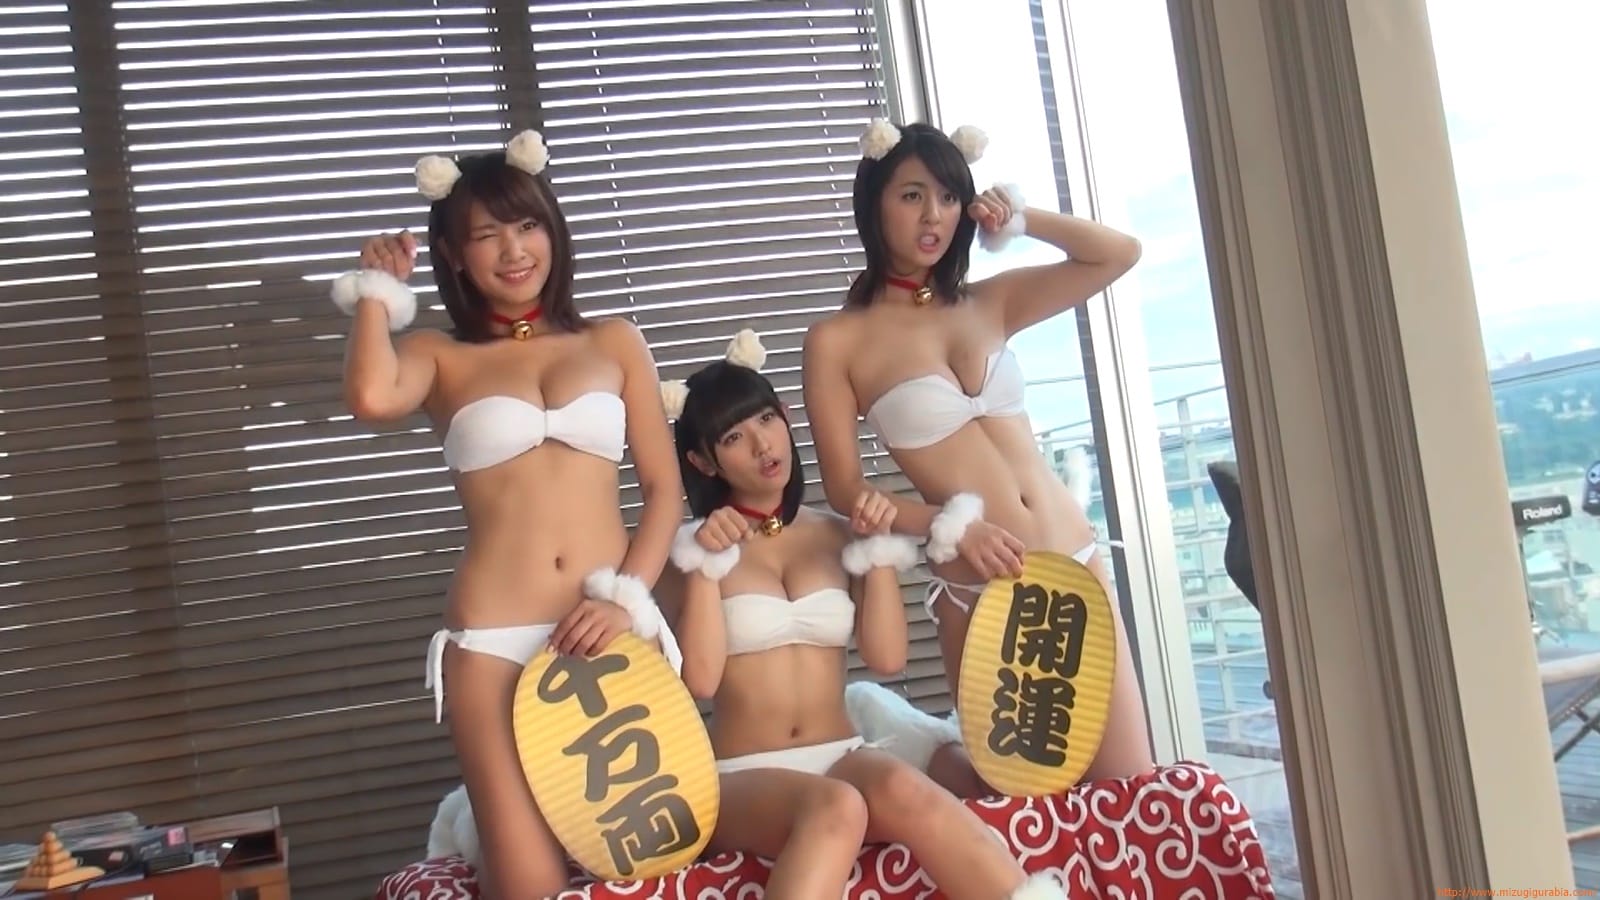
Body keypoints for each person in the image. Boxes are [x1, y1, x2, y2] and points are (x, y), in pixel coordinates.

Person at [335, 130, 685, 900]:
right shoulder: (441, 356)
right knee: (529, 883)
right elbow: (369, 396)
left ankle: (484, 831)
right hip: (494, 639)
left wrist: (625, 599)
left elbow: (664, 490)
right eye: (487, 234)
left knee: (642, 868)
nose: (514, 249)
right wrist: (375, 294)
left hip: (608, 629)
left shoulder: (613, 341)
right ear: (454, 255)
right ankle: (487, 835)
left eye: (527, 226)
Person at [802, 119, 1153, 798]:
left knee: (1130, 793)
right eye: (911, 196)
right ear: (875, 203)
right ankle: (932, 756)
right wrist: (952, 524)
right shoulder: (838, 341)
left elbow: (1118, 254)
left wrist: (1020, 216)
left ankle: (926, 747)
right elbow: (847, 489)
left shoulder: (989, 301)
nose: (933, 215)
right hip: (981, 586)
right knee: (1025, 811)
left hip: (1074, 564)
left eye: (947, 196)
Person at [656, 333, 1064, 900]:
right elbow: (700, 681)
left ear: (785, 416)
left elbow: (887, 657)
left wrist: (875, 549)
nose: (762, 444)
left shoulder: (835, 533)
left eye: (767, 420)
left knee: (907, 789)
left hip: (840, 754)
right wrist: (706, 563)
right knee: (839, 807)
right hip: (741, 774)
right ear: (703, 461)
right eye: (733, 437)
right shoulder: (687, 551)